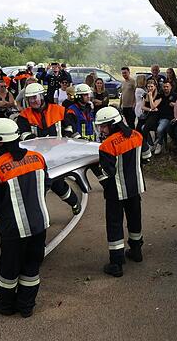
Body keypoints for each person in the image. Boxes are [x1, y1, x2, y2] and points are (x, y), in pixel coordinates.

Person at [0, 118, 50, 318]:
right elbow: (46, 185)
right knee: (31, 266)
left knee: (9, 269)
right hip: (39, 224)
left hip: (14, 230)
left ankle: (5, 305)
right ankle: (26, 306)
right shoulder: (38, 158)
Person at [93, 107, 149, 277]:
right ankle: (136, 251)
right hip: (135, 188)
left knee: (115, 224)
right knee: (134, 219)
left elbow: (106, 174)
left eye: (103, 126)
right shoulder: (137, 135)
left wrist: (94, 169)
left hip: (115, 193)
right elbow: (147, 156)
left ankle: (116, 263)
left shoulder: (106, 146)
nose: (101, 130)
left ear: (113, 124)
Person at [15, 83, 82, 215]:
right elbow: (23, 133)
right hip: (36, 158)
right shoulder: (24, 115)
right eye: (30, 99)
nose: (33, 101)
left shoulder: (58, 109)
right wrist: (36, 140)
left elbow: (70, 121)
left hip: (56, 157)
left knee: (58, 185)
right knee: (39, 188)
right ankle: (40, 217)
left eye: (35, 97)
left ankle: (74, 202)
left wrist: (69, 132)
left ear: (42, 96)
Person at [154, 81, 177, 154]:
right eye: (164, 87)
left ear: (171, 87)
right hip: (157, 117)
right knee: (143, 127)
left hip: (167, 118)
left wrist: (175, 105)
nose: (166, 88)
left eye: (167, 86)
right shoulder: (160, 96)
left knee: (160, 129)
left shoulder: (175, 96)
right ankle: (151, 144)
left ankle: (159, 144)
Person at [141, 81, 162, 150]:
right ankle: (150, 143)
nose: (150, 88)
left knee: (145, 129)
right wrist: (150, 110)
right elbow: (142, 107)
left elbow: (153, 106)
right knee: (141, 128)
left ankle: (150, 145)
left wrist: (150, 97)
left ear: (155, 87)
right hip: (148, 114)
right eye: (148, 87)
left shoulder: (159, 95)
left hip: (156, 115)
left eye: (151, 86)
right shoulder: (145, 95)